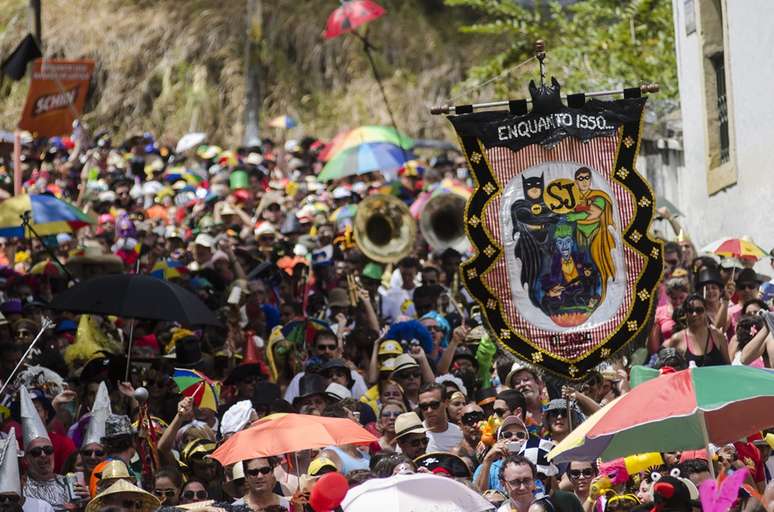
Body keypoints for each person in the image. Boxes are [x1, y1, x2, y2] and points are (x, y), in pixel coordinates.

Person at [665, 294, 729, 366]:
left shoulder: (718, 336)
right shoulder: (677, 339)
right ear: (685, 313)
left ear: (705, 311)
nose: (694, 314)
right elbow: (670, 370)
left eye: (699, 310)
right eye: (690, 310)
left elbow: (728, 367)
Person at [418, 383, 462, 452]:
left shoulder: (459, 434)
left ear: (446, 403)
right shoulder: (415, 436)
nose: (429, 410)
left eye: (434, 405)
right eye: (424, 406)